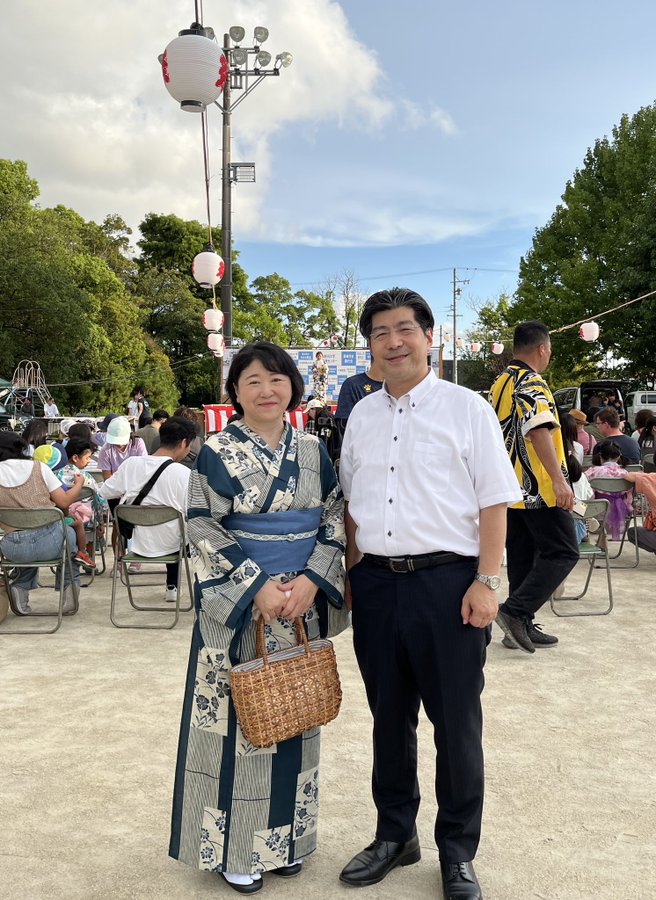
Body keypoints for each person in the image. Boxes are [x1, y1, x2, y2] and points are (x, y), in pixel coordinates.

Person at [338, 289, 521, 900]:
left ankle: (457, 850)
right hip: (378, 586)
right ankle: (395, 834)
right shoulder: (360, 416)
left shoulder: (467, 409)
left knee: (457, 725)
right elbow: (352, 508)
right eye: (381, 332)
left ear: (428, 337)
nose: (394, 341)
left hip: (450, 585)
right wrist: (354, 574)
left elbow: (495, 500)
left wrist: (487, 582)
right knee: (388, 720)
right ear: (369, 345)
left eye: (405, 329)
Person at [169, 341, 349, 894]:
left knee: (296, 715)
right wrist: (256, 587)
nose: (267, 390)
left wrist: (313, 579)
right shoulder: (215, 453)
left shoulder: (316, 451)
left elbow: (336, 512)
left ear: (293, 386)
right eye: (253, 381)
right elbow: (201, 527)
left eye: (277, 379)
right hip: (244, 605)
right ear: (236, 393)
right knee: (235, 727)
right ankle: (235, 847)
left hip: (301, 603)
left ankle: (287, 839)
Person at [489, 321, 580, 654]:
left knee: (523, 556)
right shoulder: (532, 382)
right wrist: (558, 480)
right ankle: (515, 612)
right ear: (542, 348)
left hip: (508, 487)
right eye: (550, 350)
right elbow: (538, 428)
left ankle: (519, 625)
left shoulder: (500, 383)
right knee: (564, 551)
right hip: (537, 486)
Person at [98, 417, 196, 602]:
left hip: (136, 544)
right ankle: (172, 586)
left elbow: (104, 492)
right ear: (184, 443)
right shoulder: (184, 475)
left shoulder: (130, 465)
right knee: (180, 525)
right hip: (174, 546)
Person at [0, 432, 84, 615]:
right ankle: (69, 592)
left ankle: (20, 588)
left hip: (13, 548)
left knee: (28, 542)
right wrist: (79, 483)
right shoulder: (39, 468)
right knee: (69, 537)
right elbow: (63, 502)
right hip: (51, 543)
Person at [98, 416, 147, 554]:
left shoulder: (138, 443)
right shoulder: (106, 450)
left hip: (136, 490)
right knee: (117, 525)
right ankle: (118, 559)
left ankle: (137, 555)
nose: (119, 445)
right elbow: (107, 478)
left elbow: (143, 470)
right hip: (116, 492)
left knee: (137, 524)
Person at [585, 440, 633, 541]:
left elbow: (585, 491)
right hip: (621, 513)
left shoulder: (592, 472)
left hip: (597, 513)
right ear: (618, 456)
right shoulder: (625, 473)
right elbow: (629, 496)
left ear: (600, 456)